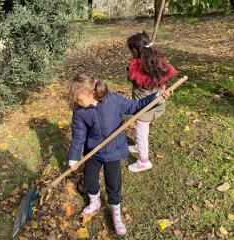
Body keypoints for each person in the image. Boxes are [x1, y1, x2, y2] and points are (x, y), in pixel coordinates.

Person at [67, 73, 171, 235]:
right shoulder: (80, 111)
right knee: (90, 179)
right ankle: (95, 202)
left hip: (113, 152)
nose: (77, 103)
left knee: (113, 184)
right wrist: (73, 157)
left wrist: (156, 96)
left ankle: (116, 213)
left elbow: (135, 106)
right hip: (93, 152)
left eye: (79, 99)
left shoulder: (113, 100)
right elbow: (79, 135)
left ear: (92, 93)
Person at [126, 31, 177, 173]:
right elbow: (164, 80)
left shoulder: (135, 67)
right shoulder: (159, 63)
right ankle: (137, 147)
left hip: (145, 108)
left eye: (131, 51)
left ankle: (144, 161)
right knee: (141, 131)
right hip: (159, 103)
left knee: (141, 130)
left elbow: (131, 77)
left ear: (135, 50)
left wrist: (132, 65)